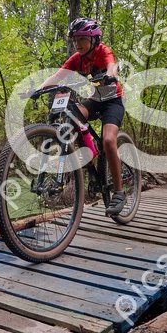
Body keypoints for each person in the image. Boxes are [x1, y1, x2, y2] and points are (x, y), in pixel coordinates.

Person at [33, 17, 127, 216]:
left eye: (82, 39)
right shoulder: (77, 58)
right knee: (73, 115)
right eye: (75, 40)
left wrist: (110, 75)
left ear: (93, 39)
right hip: (95, 100)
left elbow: (111, 65)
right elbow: (57, 76)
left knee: (109, 141)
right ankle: (90, 159)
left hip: (113, 102)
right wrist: (37, 89)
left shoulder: (103, 51)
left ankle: (119, 192)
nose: (77, 43)